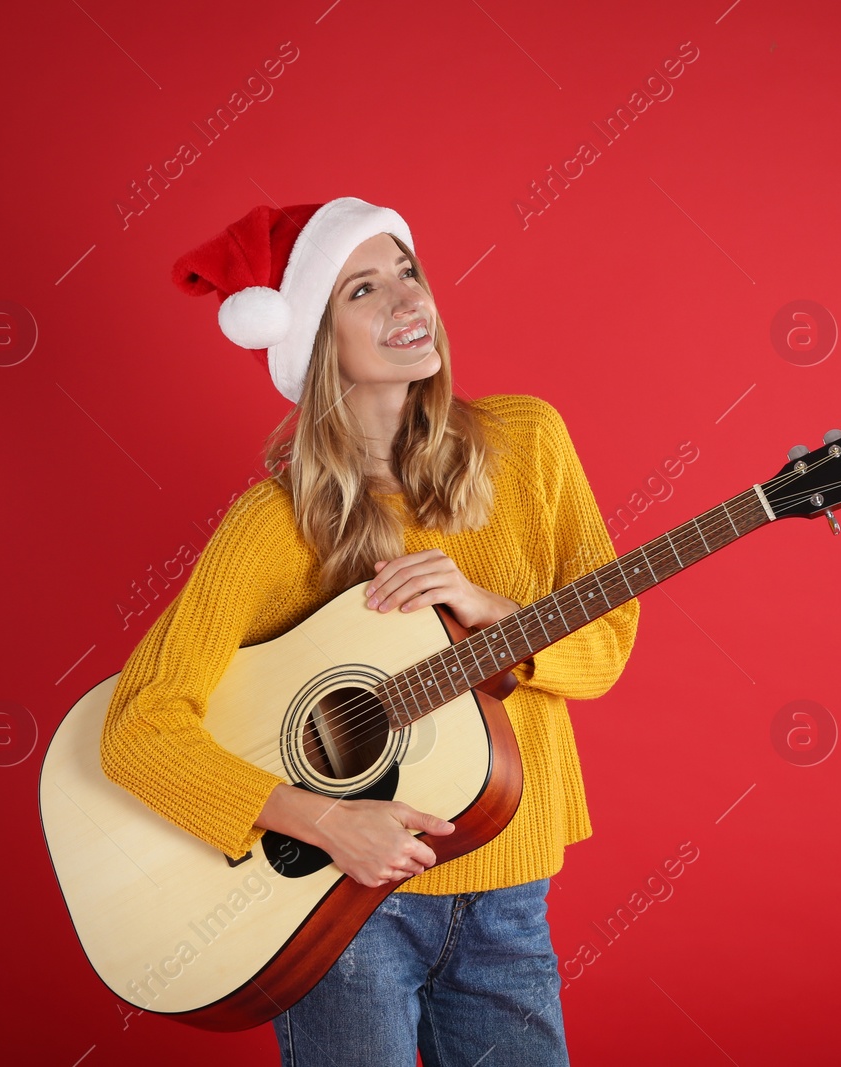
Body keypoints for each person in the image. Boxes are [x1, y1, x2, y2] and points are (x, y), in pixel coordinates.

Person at [98, 196, 640, 1066]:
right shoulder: (274, 525)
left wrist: (498, 614)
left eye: (409, 272)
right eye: (362, 288)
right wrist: (320, 818)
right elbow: (137, 729)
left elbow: (607, 639)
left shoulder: (529, 443)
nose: (407, 301)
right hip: (341, 910)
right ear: (315, 340)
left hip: (509, 885)